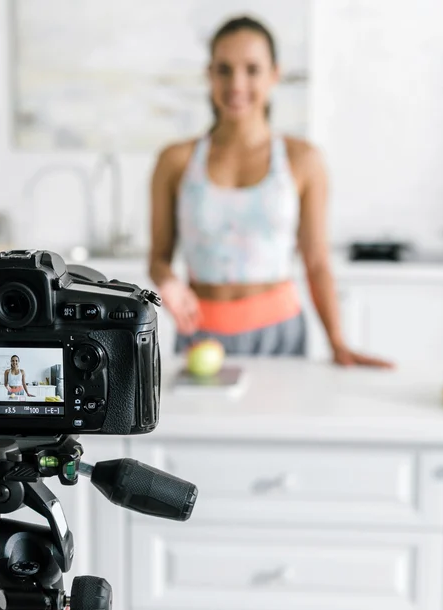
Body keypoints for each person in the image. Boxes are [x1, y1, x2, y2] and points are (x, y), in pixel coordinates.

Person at [149, 15, 392, 367]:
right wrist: (168, 282)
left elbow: (317, 262)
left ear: (274, 75)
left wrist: (338, 343)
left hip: (282, 336)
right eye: (224, 69)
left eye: (252, 69)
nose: (237, 84)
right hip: (200, 338)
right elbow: (158, 258)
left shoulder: (303, 160)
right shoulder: (175, 161)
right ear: (209, 75)